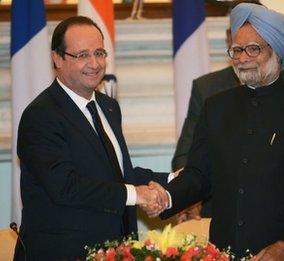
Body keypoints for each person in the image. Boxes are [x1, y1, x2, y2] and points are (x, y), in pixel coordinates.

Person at [157, 3, 284, 260]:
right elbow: (198, 174)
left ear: (276, 50)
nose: (242, 58)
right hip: (224, 251)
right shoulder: (216, 106)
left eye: (253, 49)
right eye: (237, 50)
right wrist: (166, 196)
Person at [14, 16, 169, 260]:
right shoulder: (41, 115)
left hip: (114, 250)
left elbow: (115, 173)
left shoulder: (108, 107)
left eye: (99, 53)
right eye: (82, 55)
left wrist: (173, 178)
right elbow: (65, 186)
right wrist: (136, 194)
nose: (95, 63)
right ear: (57, 59)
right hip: (62, 253)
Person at [172, 0, 284, 222]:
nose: (244, 56)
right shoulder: (208, 89)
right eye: (239, 45)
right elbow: (186, 154)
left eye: (254, 47)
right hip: (223, 215)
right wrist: (185, 195)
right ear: (229, 38)